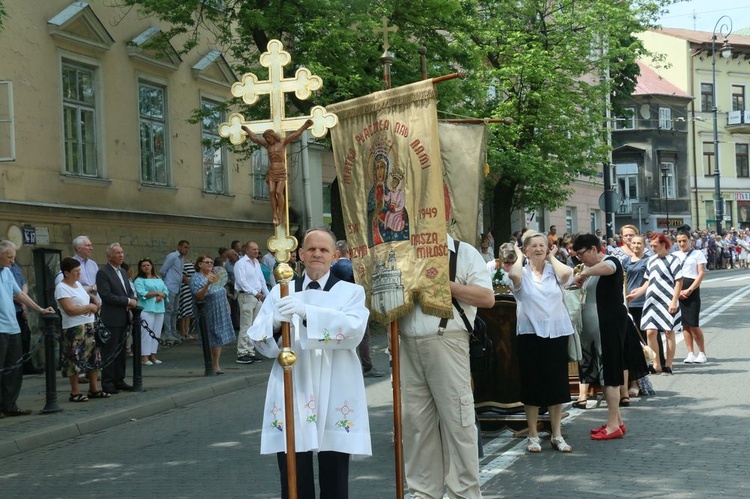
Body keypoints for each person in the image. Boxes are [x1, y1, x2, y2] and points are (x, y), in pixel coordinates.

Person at [247, 228, 371, 499]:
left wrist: (308, 313)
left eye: (324, 250)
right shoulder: (282, 290)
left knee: (335, 471)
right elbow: (257, 338)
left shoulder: (351, 291)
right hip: (295, 381)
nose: (317, 254)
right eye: (311, 249)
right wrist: (276, 324)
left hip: (336, 381)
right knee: (294, 470)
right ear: (300, 254)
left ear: (335, 256)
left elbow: (353, 331)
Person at [398, 234, 493, 498]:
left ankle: (463, 493)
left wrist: (445, 285)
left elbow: (487, 298)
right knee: (416, 424)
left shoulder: (463, 252)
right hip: (407, 343)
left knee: (458, 422)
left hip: (447, 340)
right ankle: (423, 493)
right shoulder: (403, 250)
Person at [508, 231, 574, 453]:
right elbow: (514, 278)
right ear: (525, 250)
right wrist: (518, 257)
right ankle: (533, 435)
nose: (538, 249)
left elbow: (567, 275)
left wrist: (552, 258)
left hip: (556, 332)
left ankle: (557, 433)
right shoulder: (522, 272)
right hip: (530, 334)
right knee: (532, 384)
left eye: (542, 246)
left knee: (557, 384)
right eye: (533, 246)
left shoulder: (554, 271)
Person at [572, 234, 629, 440]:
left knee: (610, 377)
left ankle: (613, 425)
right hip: (598, 332)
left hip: (608, 328)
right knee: (605, 378)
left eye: (582, 254)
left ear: (594, 249)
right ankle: (617, 421)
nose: (580, 259)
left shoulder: (609, 261)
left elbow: (610, 268)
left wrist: (584, 274)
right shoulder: (592, 270)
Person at [0, 240, 55, 417]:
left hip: (13, 327)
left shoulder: (8, 272)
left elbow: (20, 294)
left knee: (14, 369)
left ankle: (10, 405)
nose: (12, 261)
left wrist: (39, 309)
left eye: (14, 257)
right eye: (9, 257)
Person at [627, 234, 683, 375]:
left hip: (668, 299)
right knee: (650, 332)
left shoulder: (673, 260)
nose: (653, 248)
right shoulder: (651, 260)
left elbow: (679, 281)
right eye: (651, 246)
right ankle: (656, 364)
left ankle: (668, 365)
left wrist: (674, 300)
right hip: (652, 300)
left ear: (664, 244)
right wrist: (636, 294)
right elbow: (647, 282)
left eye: (655, 245)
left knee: (669, 332)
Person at [55, 257, 109, 401]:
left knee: (93, 356)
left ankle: (94, 388)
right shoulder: (61, 288)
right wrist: (89, 307)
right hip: (74, 327)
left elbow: (85, 294)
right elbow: (69, 309)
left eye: (79, 270)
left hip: (89, 324)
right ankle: (75, 391)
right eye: (76, 271)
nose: (79, 273)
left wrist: (93, 300)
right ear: (66, 273)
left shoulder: (77, 284)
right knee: (74, 359)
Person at [242, 120, 314, 226]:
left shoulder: (282, 142)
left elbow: (295, 134)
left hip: (280, 170)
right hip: (272, 171)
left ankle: (280, 213)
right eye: (266, 139)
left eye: (269, 138)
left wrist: (306, 125)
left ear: (273, 136)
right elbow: (256, 138)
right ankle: (275, 214)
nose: (267, 140)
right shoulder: (267, 145)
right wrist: (247, 130)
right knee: (271, 192)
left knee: (279, 192)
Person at [331, 240, 383, 378]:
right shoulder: (352, 267)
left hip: (337, 307)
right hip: (354, 307)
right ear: (349, 252)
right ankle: (367, 366)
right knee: (363, 336)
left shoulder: (332, 268)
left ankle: (343, 367)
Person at [96, 243, 137, 394]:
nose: (121, 255)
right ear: (109, 256)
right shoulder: (103, 273)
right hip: (111, 318)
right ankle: (108, 382)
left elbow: (129, 291)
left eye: (122, 252)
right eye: (117, 253)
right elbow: (106, 295)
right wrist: (127, 301)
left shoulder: (123, 272)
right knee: (110, 351)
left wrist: (131, 300)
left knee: (121, 352)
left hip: (124, 317)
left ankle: (119, 379)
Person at [190, 255, 235, 374]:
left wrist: (226, 304)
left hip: (220, 309)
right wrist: (207, 284)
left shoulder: (215, 274)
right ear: (200, 264)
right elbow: (199, 296)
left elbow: (221, 289)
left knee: (219, 336)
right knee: (210, 337)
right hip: (207, 311)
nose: (210, 264)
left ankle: (216, 365)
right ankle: (210, 365)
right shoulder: (196, 278)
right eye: (207, 262)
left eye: (211, 262)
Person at [675, 231, 708, 364]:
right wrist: (677, 292)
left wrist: (689, 289)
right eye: (679, 241)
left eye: (684, 240)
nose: (682, 243)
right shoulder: (674, 255)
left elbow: (700, 274)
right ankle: (690, 353)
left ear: (690, 240)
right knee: (685, 325)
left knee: (693, 323)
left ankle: (702, 352)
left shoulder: (697, 254)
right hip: (678, 289)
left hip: (692, 289)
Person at [234, 241, 269, 364]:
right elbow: (241, 281)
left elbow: (262, 280)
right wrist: (255, 293)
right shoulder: (241, 264)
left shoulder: (256, 263)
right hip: (246, 296)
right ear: (246, 250)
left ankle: (251, 351)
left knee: (254, 326)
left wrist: (267, 295)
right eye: (253, 249)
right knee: (246, 325)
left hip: (257, 296)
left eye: (257, 249)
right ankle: (242, 352)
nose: (256, 251)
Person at [134, 259, 169, 366]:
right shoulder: (139, 280)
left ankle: (153, 354)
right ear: (140, 268)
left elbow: (165, 290)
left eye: (148, 265)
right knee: (146, 333)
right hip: (146, 308)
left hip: (159, 308)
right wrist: (156, 293)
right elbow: (141, 293)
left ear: (152, 266)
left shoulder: (158, 278)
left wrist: (162, 294)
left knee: (156, 332)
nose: (146, 267)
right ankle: (144, 356)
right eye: (143, 265)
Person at [10, 262, 43, 375]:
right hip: (11, 310)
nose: (12, 260)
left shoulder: (15, 266)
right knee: (13, 341)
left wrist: (24, 301)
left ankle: (27, 365)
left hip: (20, 309)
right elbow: (11, 293)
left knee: (25, 337)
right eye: (9, 256)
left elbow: (24, 284)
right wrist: (21, 300)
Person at [159, 240, 190, 343]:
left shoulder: (181, 259)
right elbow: (163, 270)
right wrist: (165, 284)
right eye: (185, 247)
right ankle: (168, 333)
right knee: (168, 310)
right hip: (170, 287)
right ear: (179, 247)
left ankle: (173, 331)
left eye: (187, 248)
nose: (186, 250)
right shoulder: (172, 256)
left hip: (177, 287)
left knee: (175, 311)